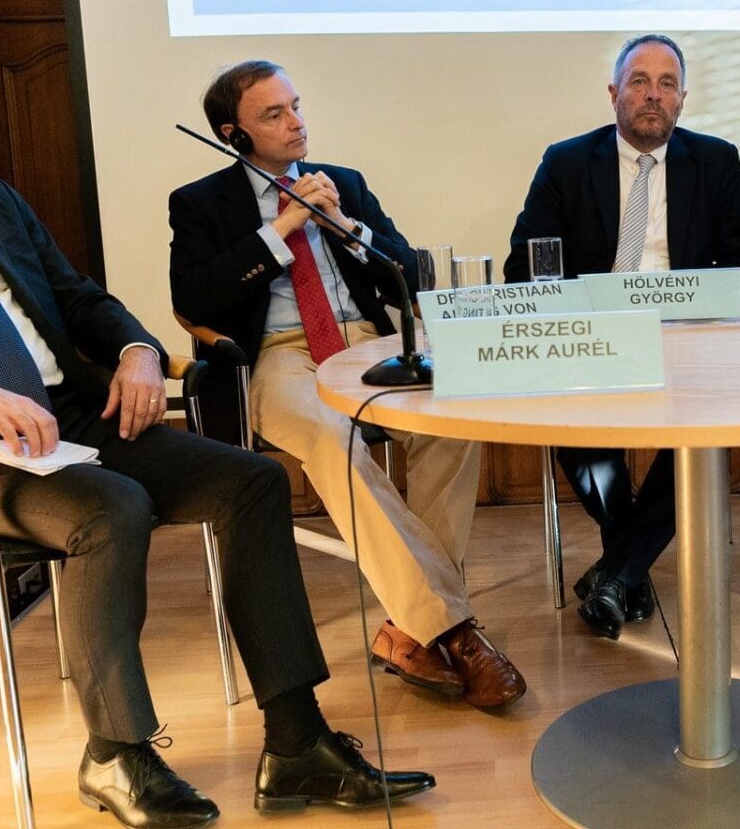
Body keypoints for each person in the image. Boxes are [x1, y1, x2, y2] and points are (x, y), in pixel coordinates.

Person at [0, 1, 434, 828]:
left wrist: (138, 350)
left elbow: (77, 300)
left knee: (249, 482)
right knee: (111, 506)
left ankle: (297, 745)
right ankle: (118, 755)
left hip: (67, 420)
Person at [168, 61, 525, 710]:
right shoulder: (200, 204)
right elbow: (194, 297)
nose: (296, 121)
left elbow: (409, 274)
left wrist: (348, 231)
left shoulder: (344, 184)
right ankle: (457, 631)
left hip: (366, 341)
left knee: (454, 419)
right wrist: (277, 234)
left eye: (296, 106)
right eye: (274, 114)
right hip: (278, 356)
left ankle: (409, 630)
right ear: (234, 133)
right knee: (332, 438)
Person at [502, 34, 740, 639]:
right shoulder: (566, 162)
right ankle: (628, 567)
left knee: (700, 440)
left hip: (690, 334)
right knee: (581, 435)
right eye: (639, 82)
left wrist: (684, 300)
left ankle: (618, 571)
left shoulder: (716, 160)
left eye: (667, 84)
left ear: (683, 98)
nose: (653, 95)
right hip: (599, 334)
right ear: (614, 93)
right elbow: (526, 264)